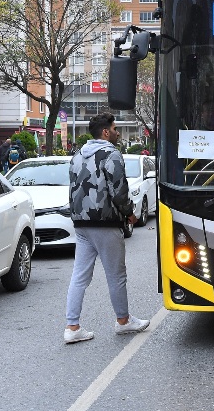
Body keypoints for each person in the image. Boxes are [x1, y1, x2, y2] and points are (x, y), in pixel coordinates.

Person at [64, 112, 148, 344]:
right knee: (116, 275)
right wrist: (130, 213)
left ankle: (72, 327)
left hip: (81, 223)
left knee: (79, 276)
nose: (117, 132)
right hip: (106, 222)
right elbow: (118, 190)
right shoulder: (112, 154)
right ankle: (123, 321)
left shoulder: (78, 154)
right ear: (105, 132)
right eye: (114, 128)